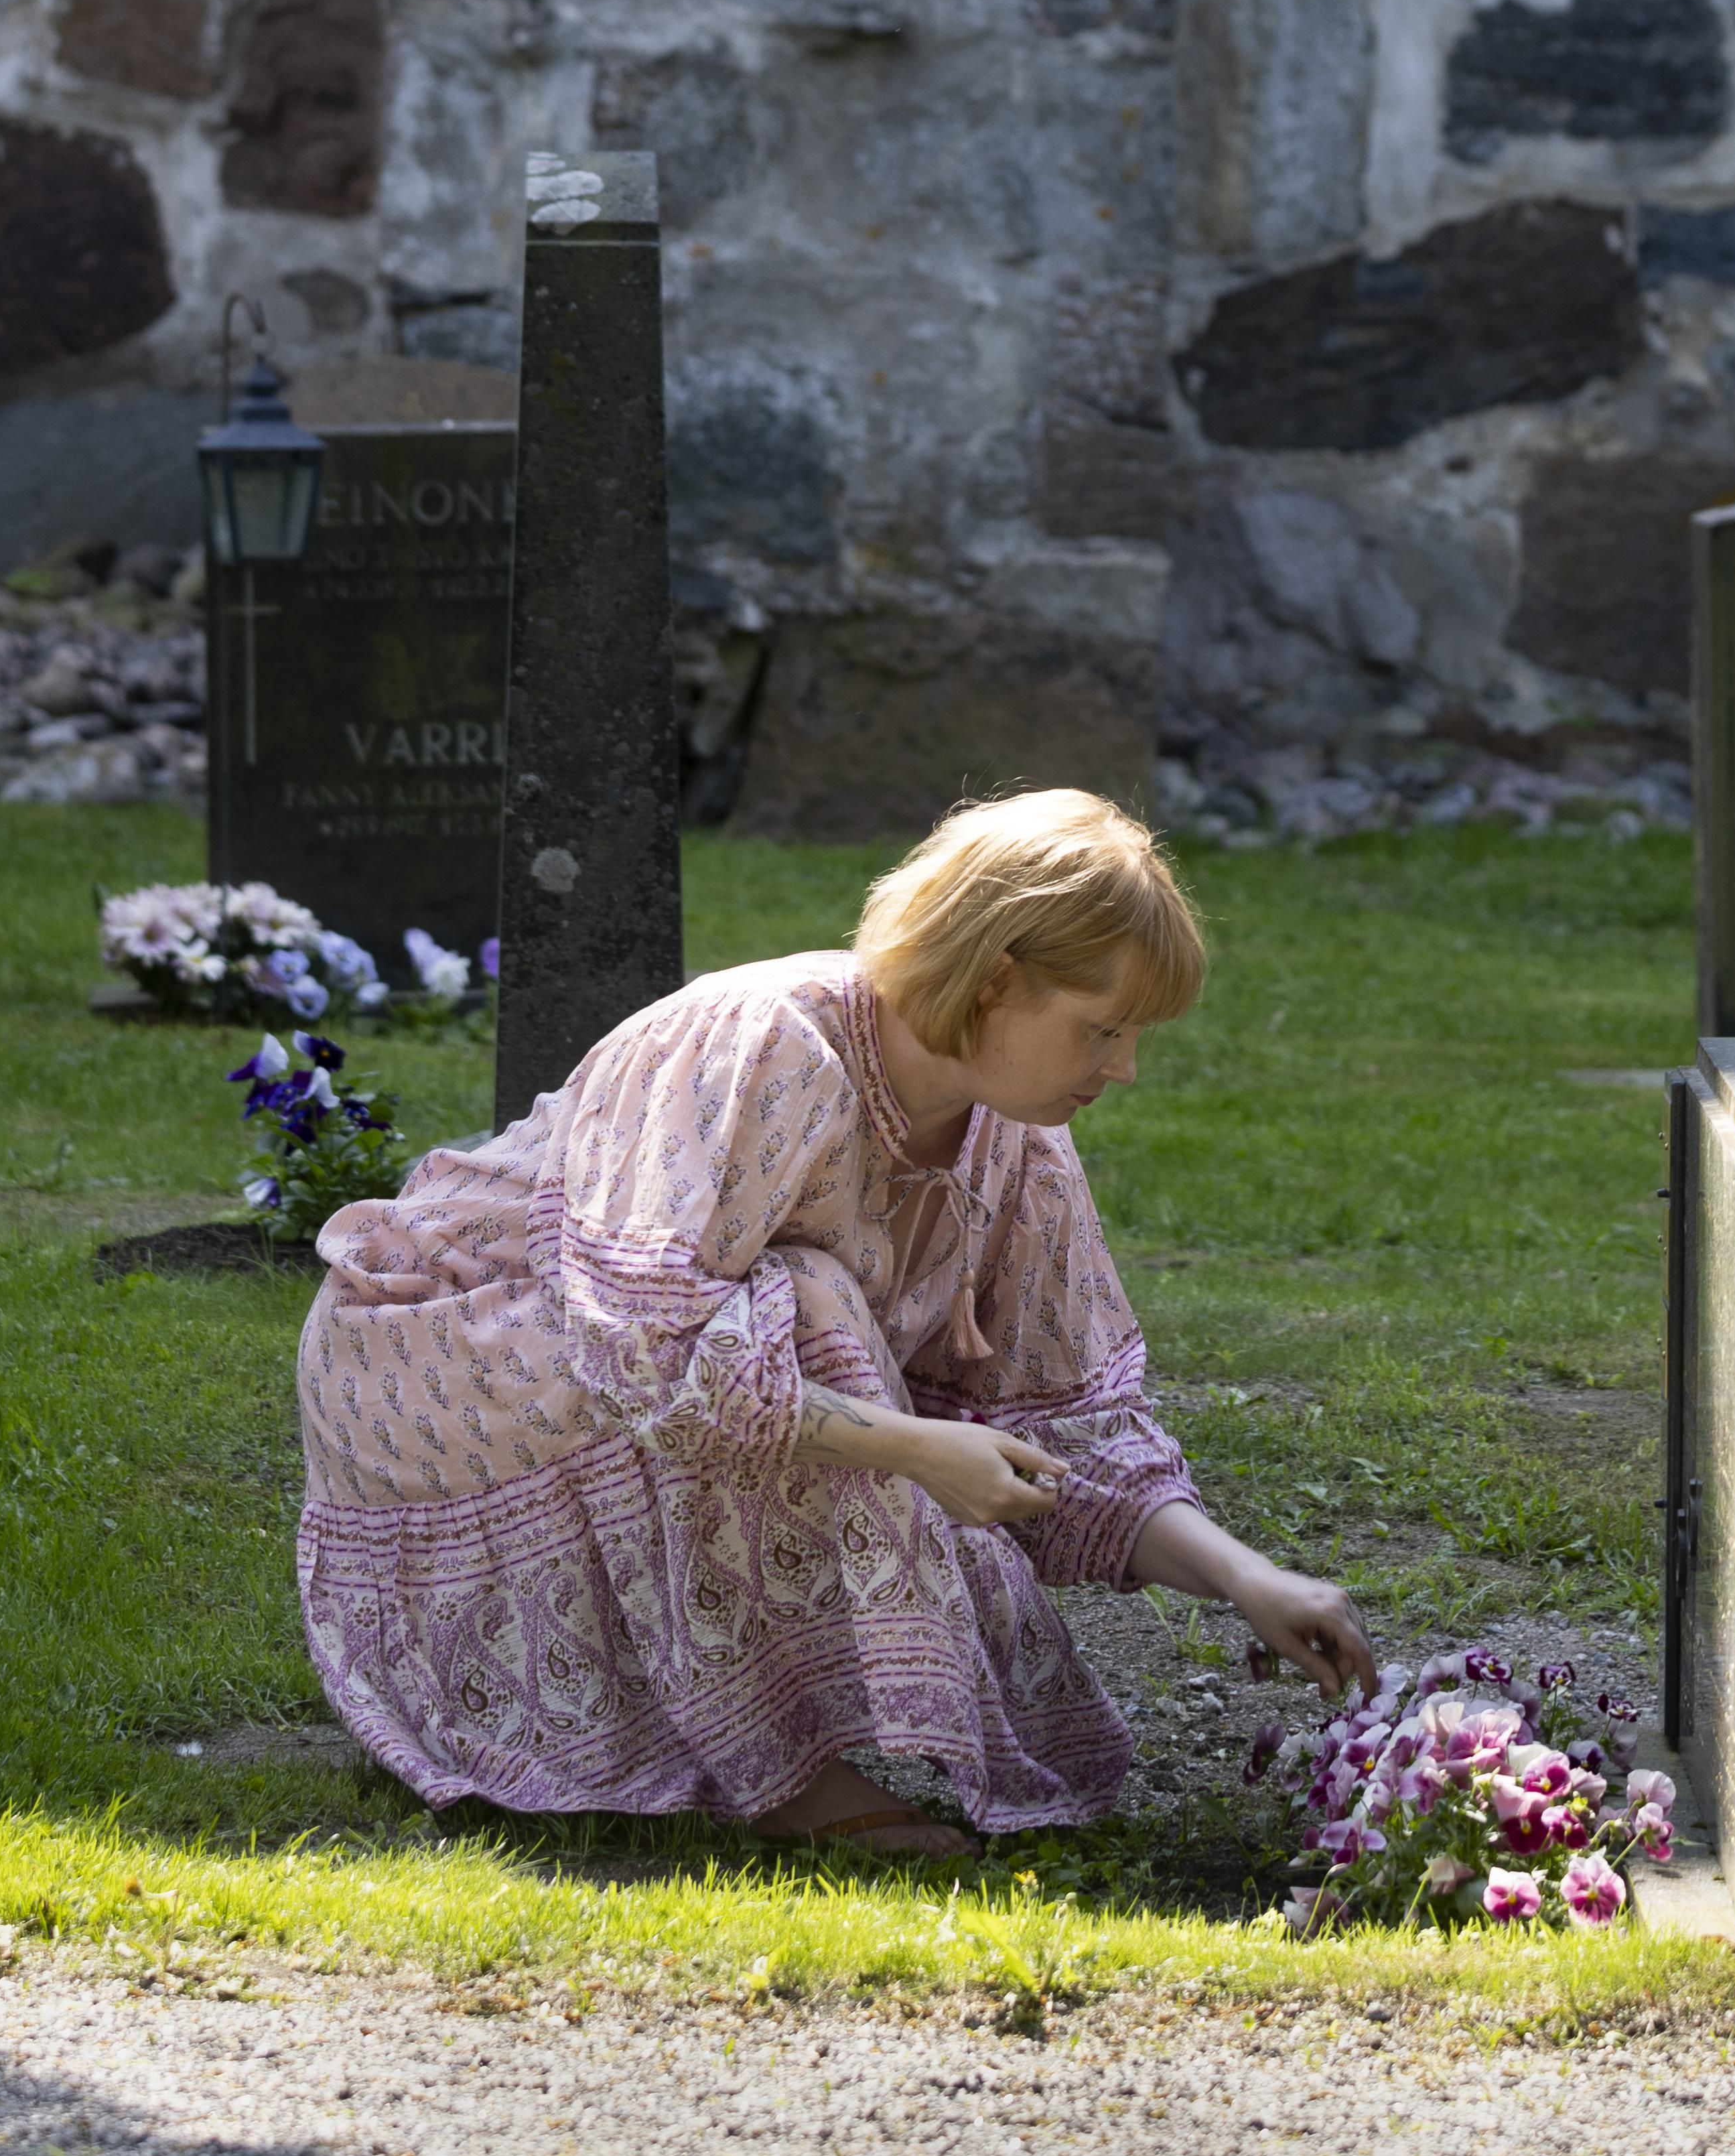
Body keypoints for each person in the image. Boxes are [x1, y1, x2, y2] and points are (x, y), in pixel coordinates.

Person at [294, 786, 1373, 1846]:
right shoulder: (770, 1047)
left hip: (620, 1362)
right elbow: (642, 1354)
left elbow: (1069, 1416)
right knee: (798, 1304)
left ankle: (779, 1731)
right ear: (996, 978)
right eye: (1102, 1030)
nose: (1125, 1069)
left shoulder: (1017, 1136)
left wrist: (1246, 1578)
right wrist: (915, 1448)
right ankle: (787, 1776)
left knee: (799, 1316)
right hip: (454, 1353)